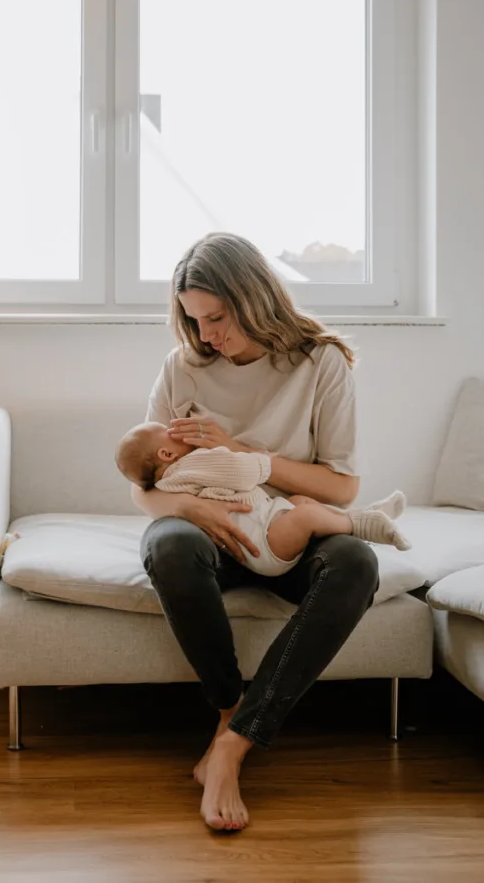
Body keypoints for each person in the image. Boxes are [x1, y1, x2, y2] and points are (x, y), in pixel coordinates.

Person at [132, 232, 382, 834]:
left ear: (254, 296)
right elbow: (144, 484)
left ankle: (234, 744)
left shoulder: (321, 362)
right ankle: (228, 708)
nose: (207, 335)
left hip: (287, 529)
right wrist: (195, 513)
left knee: (355, 562)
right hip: (211, 531)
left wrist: (249, 456)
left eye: (216, 317)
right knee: (168, 545)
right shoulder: (182, 368)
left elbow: (342, 488)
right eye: (195, 321)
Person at [116, 422, 409, 576]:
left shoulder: (170, 479)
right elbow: (239, 472)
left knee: (300, 503)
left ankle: (360, 516)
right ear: (167, 454)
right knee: (304, 515)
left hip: (265, 522)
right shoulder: (193, 464)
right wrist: (263, 461)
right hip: (264, 542)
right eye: (169, 431)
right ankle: (364, 525)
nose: (177, 429)